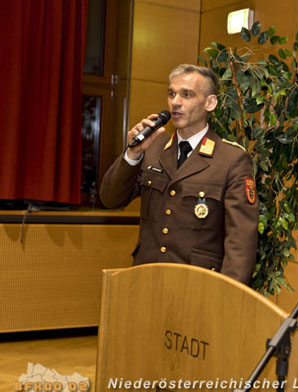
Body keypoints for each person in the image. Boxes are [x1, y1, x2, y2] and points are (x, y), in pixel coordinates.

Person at [100, 64, 259, 286]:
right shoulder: (153, 149)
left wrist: (226, 297)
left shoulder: (231, 160)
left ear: (210, 103)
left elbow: (240, 241)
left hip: (198, 286)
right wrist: (133, 154)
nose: (175, 102)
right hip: (147, 280)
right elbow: (111, 198)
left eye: (187, 95)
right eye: (172, 93)